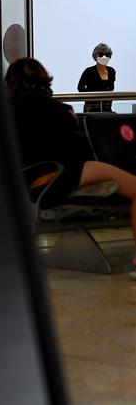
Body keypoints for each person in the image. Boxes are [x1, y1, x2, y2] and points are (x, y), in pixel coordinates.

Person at [7, 57, 136, 275]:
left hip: (33, 180)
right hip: (61, 173)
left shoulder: (11, 107)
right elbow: (73, 145)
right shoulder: (43, 104)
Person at [77, 42, 115, 112]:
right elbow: (80, 88)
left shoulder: (111, 71)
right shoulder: (88, 71)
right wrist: (94, 96)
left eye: (107, 55)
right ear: (95, 56)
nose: (104, 57)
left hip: (107, 107)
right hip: (91, 109)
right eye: (101, 54)